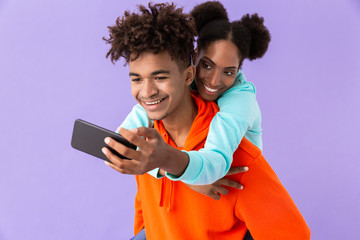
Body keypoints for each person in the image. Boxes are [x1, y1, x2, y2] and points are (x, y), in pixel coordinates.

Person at [102, 2, 311, 239]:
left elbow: (293, 233)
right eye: (137, 79)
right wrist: (163, 166)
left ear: (187, 74)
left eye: (160, 77)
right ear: (196, 64)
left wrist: (166, 161)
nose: (213, 80)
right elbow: (146, 212)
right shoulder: (147, 141)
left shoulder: (237, 149)